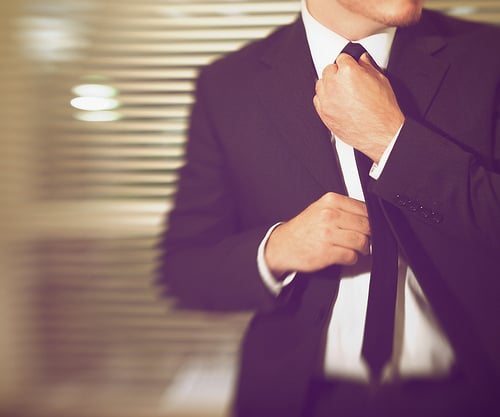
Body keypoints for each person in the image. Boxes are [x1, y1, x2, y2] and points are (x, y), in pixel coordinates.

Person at [159, 0, 500, 416]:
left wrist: (392, 141)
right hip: (298, 400)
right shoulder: (228, 85)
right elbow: (184, 268)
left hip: (473, 394)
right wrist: (277, 249)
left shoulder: (489, 59)